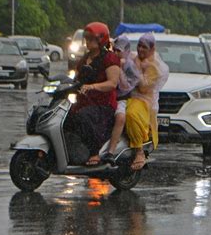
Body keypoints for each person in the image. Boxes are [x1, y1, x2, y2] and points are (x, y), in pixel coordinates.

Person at [68, 22, 120, 166]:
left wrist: (92, 87)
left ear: (100, 40)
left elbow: (112, 83)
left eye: (91, 39)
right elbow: (75, 78)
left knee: (83, 117)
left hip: (103, 105)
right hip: (84, 102)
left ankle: (94, 152)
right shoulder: (84, 59)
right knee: (66, 117)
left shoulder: (109, 59)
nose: (88, 42)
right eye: (87, 38)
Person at [126, 33, 169, 170]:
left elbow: (144, 87)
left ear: (152, 49)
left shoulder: (155, 67)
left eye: (144, 47)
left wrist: (137, 68)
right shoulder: (132, 58)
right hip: (126, 95)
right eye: (139, 46)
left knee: (131, 115)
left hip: (142, 100)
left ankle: (139, 151)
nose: (140, 50)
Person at [101, 36, 142, 164]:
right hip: (105, 97)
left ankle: (111, 151)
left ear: (126, 51)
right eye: (115, 50)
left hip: (120, 99)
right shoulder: (107, 60)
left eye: (119, 51)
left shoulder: (129, 66)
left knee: (120, 118)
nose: (117, 53)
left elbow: (126, 86)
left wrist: (120, 70)